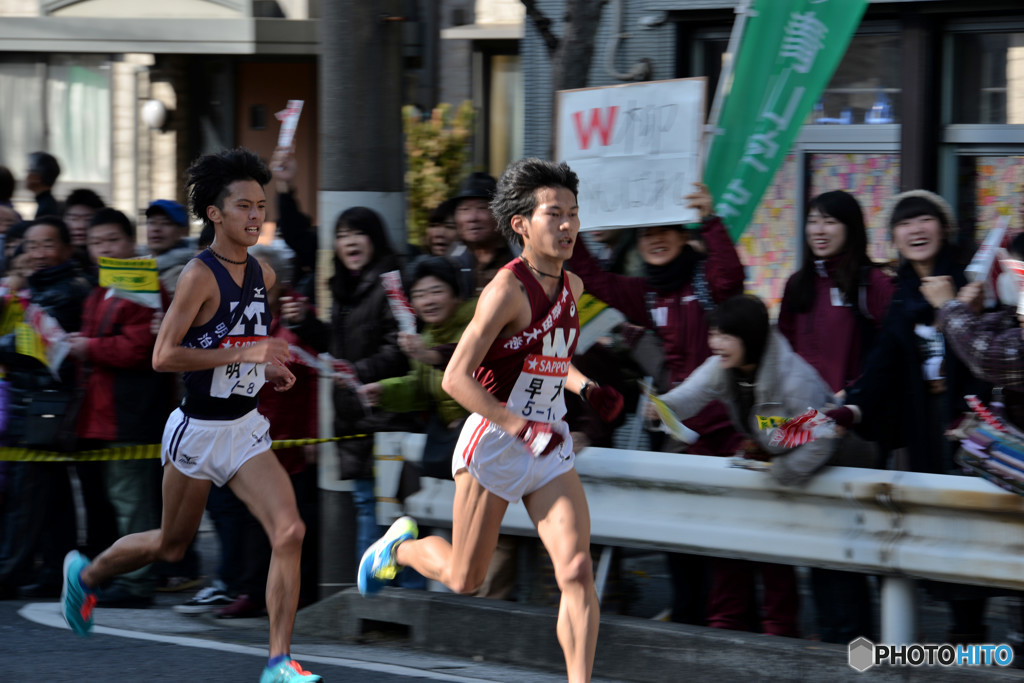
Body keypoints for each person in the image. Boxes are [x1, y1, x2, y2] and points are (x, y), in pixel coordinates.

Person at [60, 148, 322, 683]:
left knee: (290, 531)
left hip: (246, 428)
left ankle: (278, 662)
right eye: (244, 206)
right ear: (215, 214)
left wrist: (264, 369)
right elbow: (163, 356)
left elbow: (244, 340)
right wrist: (243, 356)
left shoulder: (264, 273)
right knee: (170, 544)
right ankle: (87, 575)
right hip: (197, 432)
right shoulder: (197, 277)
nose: (255, 215)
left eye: (261, 205)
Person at [357, 157, 624, 683]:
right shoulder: (505, 290)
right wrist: (519, 426)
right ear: (522, 224)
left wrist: (586, 387)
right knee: (464, 578)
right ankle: (399, 548)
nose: (568, 224)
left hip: (550, 443)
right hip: (496, 442)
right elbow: (457, 377)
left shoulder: (571, 288)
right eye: (555, 213)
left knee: (576, 569)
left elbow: (548, 359)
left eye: (574, 213)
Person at [566, 184, 745, 627]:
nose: (656, 239)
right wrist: (574, 224)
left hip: (728, 432)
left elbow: (732, 280)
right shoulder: (646, 292)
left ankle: (731, 626)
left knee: (731, 543)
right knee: (680, 534)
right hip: (678, 436)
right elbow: (592, 279)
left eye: (666, 229)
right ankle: (691, 618)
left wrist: (711, 219)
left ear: (685, 236)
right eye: (646, 233)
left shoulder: (707, 280)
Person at [832, 189, 991, 645]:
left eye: (925, 219)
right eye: (904, 223)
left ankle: (978, 648)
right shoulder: (900, 298)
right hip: (928, 437)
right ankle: (966, 654)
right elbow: (881, 370)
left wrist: (956, 306)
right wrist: (845, 404)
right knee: (944, 560)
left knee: (980, 555)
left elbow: (995, 360)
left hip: (978, 439)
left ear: (944, 229)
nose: (915, 230)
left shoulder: (975, 286)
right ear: (894, 237)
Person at [651, 294, 841, 637]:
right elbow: (691, 395)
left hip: (820, 470)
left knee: (794, 567)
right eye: (713, 334)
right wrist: (659, 407)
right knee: (747, 553)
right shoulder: (724, 365)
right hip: (774, 458)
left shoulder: (793, 377)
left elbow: (822, 438)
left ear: (750, 338)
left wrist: (779, 473)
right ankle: (742, 631)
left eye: (724, 336)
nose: (714, 344)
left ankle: (782, 636)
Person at [777, 189, 894, 643]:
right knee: (815, 546)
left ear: (851, 228)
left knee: (846, 549)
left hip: (851, 428)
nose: (819, 231)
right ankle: (832, 646)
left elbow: (890, 355)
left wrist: (853, 397)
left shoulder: (873, 283)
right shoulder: (797, 284)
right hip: (803, 428)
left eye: (829, 221)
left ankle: (856, 648)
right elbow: (780, 355)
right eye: (812, 221)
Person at [280, 206, 413, 566]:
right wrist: (305, 323)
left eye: (357, 233)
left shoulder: (391, 283)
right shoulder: (343, 288)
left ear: (374, 239)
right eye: (341, 236)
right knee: (368, 506)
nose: (348, 242)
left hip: (387, 413)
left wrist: (356, 372)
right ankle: (374, 598)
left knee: (387, 513)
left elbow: (398, 350)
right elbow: (336, 347)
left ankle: (376, 598)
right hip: (354, 417)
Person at [67, 208, 174, 607]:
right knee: (119, 499)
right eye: (96, 243)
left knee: (133, 501)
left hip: (129, 412)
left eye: (112, 240)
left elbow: (139, 348)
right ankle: (126, 576)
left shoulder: (144, 285)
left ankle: (137, 582)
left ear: (131, 242)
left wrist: (88, 346)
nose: (103, 249)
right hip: (101, 412)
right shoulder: (101, 287)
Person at [0, 217, 95, 599]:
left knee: (30, 493)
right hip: (38, 403)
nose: (37, 253)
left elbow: (29, 343)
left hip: (46, 406)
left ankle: (7, 573)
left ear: (67, 250)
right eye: (31, 246)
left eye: (46, 245)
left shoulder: (67, 289)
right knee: (51, 495)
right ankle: (55, 570)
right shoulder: (42, 286)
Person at [358, 255, 475, 481]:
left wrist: (430, 356)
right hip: (454, 445)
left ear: (457, 295)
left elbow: (474, 368)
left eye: (436, 291)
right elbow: (420, 388)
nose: (428, 301)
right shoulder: (426, 336)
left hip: (485, 442)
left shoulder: (479, 324)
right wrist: (384, 391)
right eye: (420, 295)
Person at [449, 171, 517, 295]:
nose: (472, 218)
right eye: (464, 209)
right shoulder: (451, 262)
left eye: (482, 208)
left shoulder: (522, 256)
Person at [145, 199, 195, 296]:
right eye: (152, 222)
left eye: (166, 223)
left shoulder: (185, 273)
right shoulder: (132, 258)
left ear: (183, 231)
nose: (156, 229)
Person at [26, 151, 61, 219]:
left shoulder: (46, 208)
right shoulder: (46, 203)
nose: (26, 176)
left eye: (29, 170)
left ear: (37, 177)